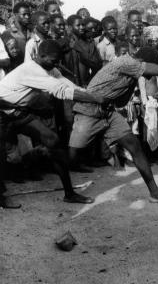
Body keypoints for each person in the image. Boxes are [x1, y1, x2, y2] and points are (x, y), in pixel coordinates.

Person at [68, 41, 158, 206]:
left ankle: (155, 193)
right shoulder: (127, 62)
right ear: (145, 61)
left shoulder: (132, 72)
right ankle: (67, 190)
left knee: (135, 146)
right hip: (88, 110)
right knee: (72, 156)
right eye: (151, 68)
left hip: (107, 112)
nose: (151, 75)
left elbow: (120, 102)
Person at [0, 40, 106, 208]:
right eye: (53, 60)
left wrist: (91, 94)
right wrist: (95, 99)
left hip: (19, 112)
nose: (56, 64)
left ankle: (69, 194)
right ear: (40, 56)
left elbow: (69, 85)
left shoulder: (51, 68)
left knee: (53, 141)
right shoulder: (30, 70)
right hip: (2, 110)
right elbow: (62, 91)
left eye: (58, 61)